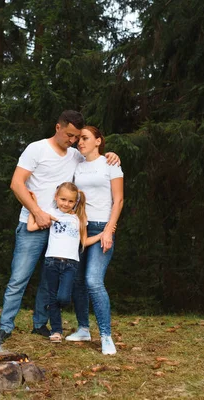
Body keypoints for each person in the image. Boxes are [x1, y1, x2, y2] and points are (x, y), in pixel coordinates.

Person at [0, 110, 119, 346]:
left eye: (77, 137)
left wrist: (111, 155)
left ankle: (40, 324)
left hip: (61, 228)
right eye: (69, 135)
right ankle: (5, 328)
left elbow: (95, 159)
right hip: (33, 223)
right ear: (57, 127)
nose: (73, 140)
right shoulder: (36, 149)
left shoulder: (75, 155)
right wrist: (37, 213)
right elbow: (16, 183)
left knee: (49, 280)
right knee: (19, 278)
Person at [66, 126, 124, 355]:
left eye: (85, 138)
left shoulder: (110, 164)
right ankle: (83, 328)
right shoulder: (76, 166)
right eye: (79, 139)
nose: (80, 142)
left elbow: (118, 200)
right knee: (77, 281)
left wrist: (109, 229)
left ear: (99, 141)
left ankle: (106, 336)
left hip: (102, 226)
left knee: (93, 280)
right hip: (80, 227)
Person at [27, 183, 102, 342]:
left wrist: (103, 234)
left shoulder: (79, 218)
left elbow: (84, 241)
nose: (66, 204)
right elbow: (31, 226)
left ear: (75, 202)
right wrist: (32, 207)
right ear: (56, 197)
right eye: (63, 199)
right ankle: (56, 331)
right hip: (51, 262)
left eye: (70, 201)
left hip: (70, 264)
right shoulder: (50, 213)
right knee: (52, 297)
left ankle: (54, 310)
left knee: (64, 298)